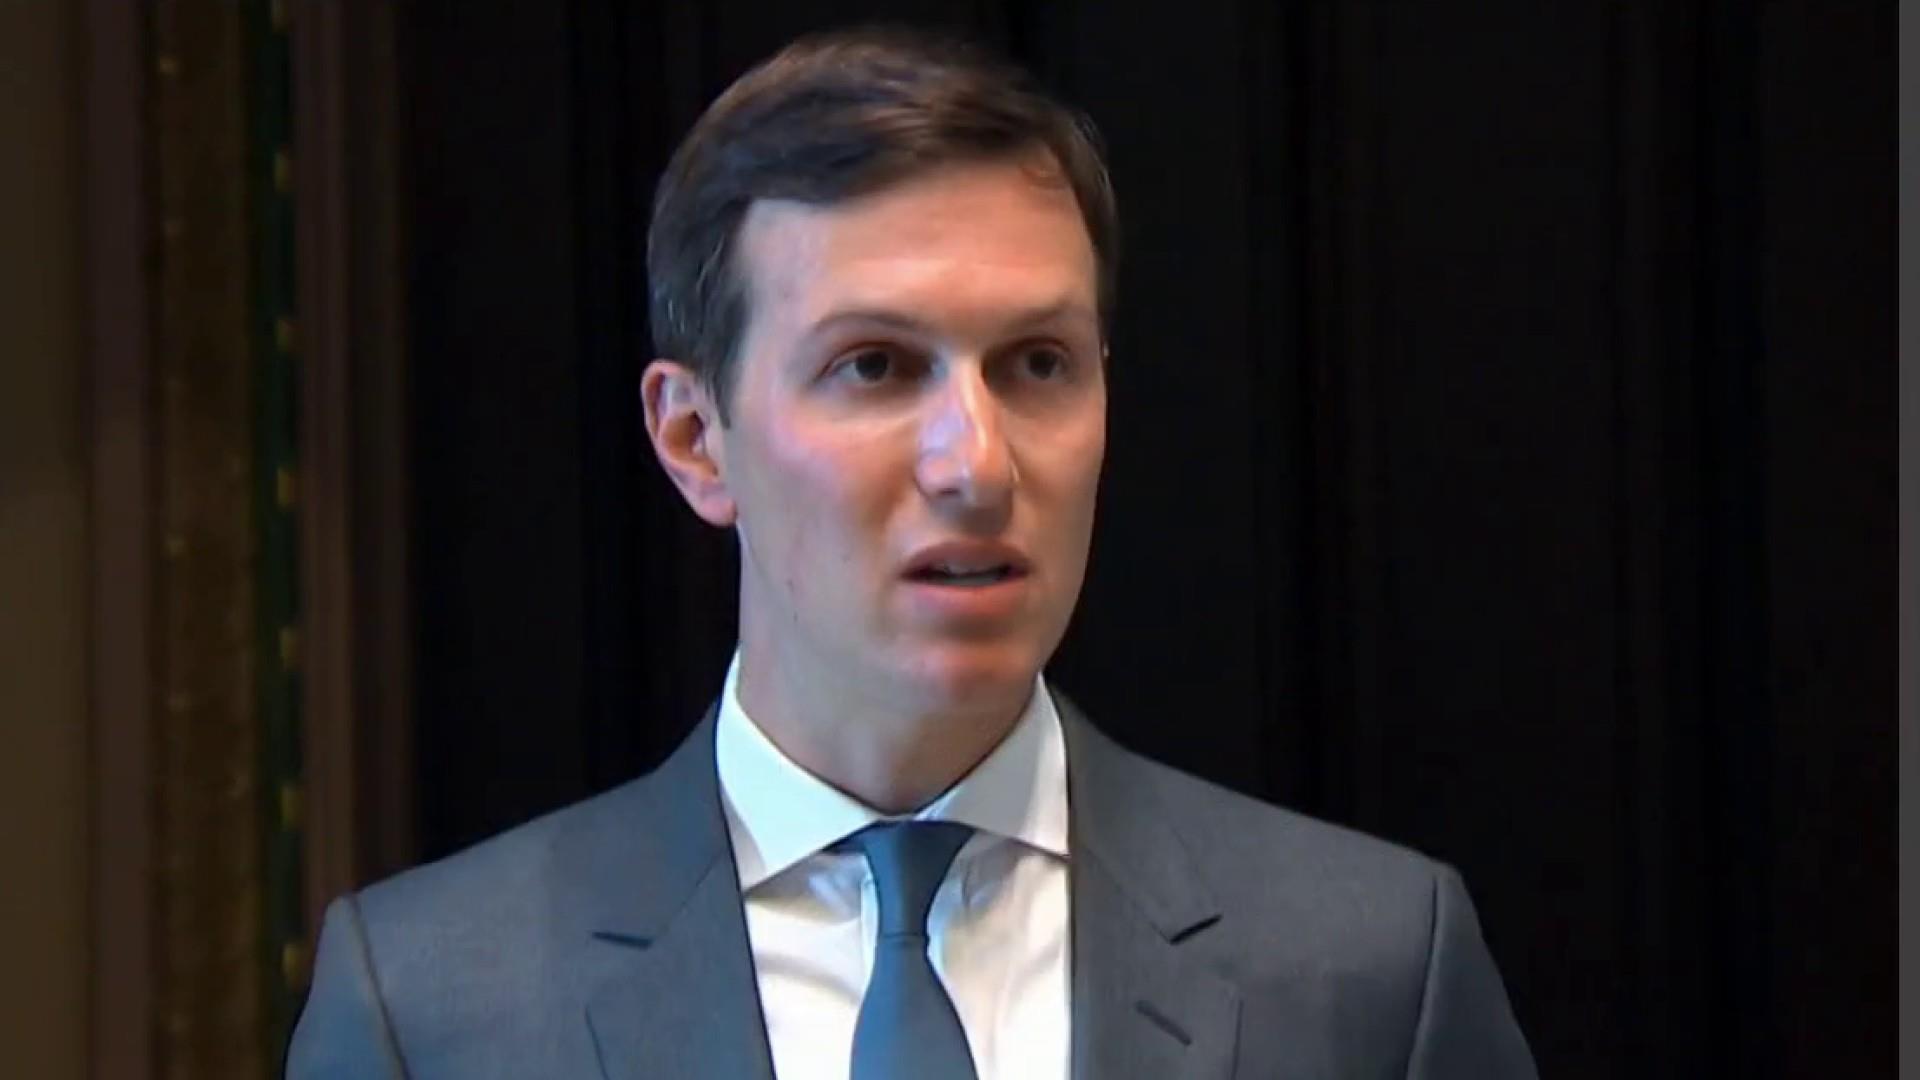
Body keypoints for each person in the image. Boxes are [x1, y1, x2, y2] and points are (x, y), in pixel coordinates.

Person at [288, 25, 1536, 1079]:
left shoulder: (1371, 970)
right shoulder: (434, 1009)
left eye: (1037, 364)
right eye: (875, 367)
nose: (976, 464)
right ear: (694, 439)